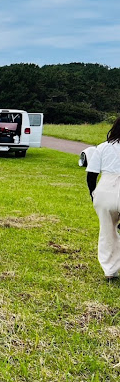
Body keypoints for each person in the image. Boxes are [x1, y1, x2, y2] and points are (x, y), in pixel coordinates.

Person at [86, 118, 120, 281]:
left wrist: (93, 193)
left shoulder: (102, 147)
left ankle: (110, 271)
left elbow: (91, 175)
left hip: (105, 189)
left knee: (107, 231)